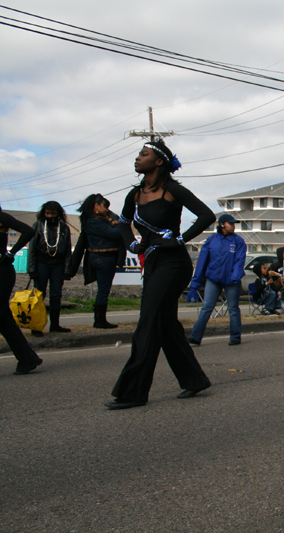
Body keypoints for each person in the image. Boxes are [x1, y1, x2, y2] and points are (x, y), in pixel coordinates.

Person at [105, 140, 215, 410]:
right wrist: (132, 243)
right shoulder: (135, 194)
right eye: (139, 154)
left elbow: (206, 215)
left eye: (144, 154)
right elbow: (122, 223)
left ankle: (133, 391)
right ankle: (194, 380)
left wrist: (180, 239)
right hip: (153, 263)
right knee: (165, 325)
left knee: (148, 322)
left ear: (158, 162)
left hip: (174, 264)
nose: (137, 158)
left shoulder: (173, 190)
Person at [186, 213, 247, 347]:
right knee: (207, 307)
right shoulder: (211, 240)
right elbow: (202, 262)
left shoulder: (239, 241)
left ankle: (235, 336)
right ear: (222, 225)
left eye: (234, 224)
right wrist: (194, 286)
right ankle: (195, 336)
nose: (233, 226)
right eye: (230, 223)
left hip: (231, 281)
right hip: (213, 279)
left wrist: (236, 276)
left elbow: (239, 261)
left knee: (233, 308)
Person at [67, 193, 125, 329]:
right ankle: (99, 320)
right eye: (105, 206)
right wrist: (116, 222)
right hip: (104, 259)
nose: (107, 210)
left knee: (103, 290)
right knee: (103, 290)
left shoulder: (92, 220)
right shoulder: (95, 221)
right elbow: (116, 233)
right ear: (96, 206)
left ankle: (100, 319)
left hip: (100, 258)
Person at [0, 207, 43, 375]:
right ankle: (27, 359)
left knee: (2, 315)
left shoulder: (2, 217)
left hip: (2, 272)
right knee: (3, 319)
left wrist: (11, 253)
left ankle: (28, 359)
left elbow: (28, 231)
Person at [27, 201, 72, 336]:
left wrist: (67, 270)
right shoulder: (38, 225)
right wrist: (32, 269)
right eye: (47, 213)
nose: (50, 215)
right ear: (43, 213)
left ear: (58, 213)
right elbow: (32, 249)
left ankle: (55, 325)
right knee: (39, 295)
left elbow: (68, 251)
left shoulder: (63, 228)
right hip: (41, 264)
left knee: (56, 295)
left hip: (58, 265)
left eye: (53, 213)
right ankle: (36, 327)